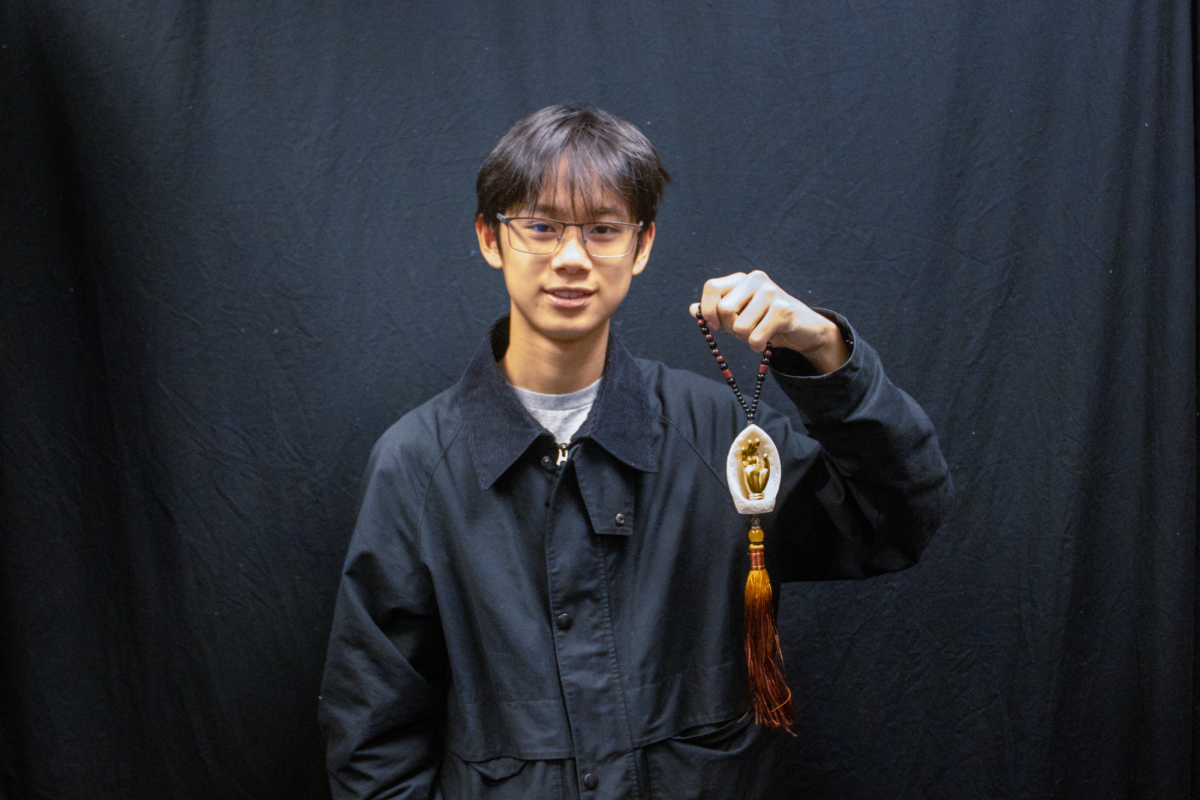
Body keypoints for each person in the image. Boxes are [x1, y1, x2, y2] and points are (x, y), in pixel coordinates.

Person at [318, 103, 951, 799]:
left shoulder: (714, 436)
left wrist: (824, 351)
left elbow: (894, 519)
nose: (571, 258)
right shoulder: (417, 467)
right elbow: (372, 739)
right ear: (490, 239)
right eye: (540, 226)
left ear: (641, 245)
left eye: (602, 230)